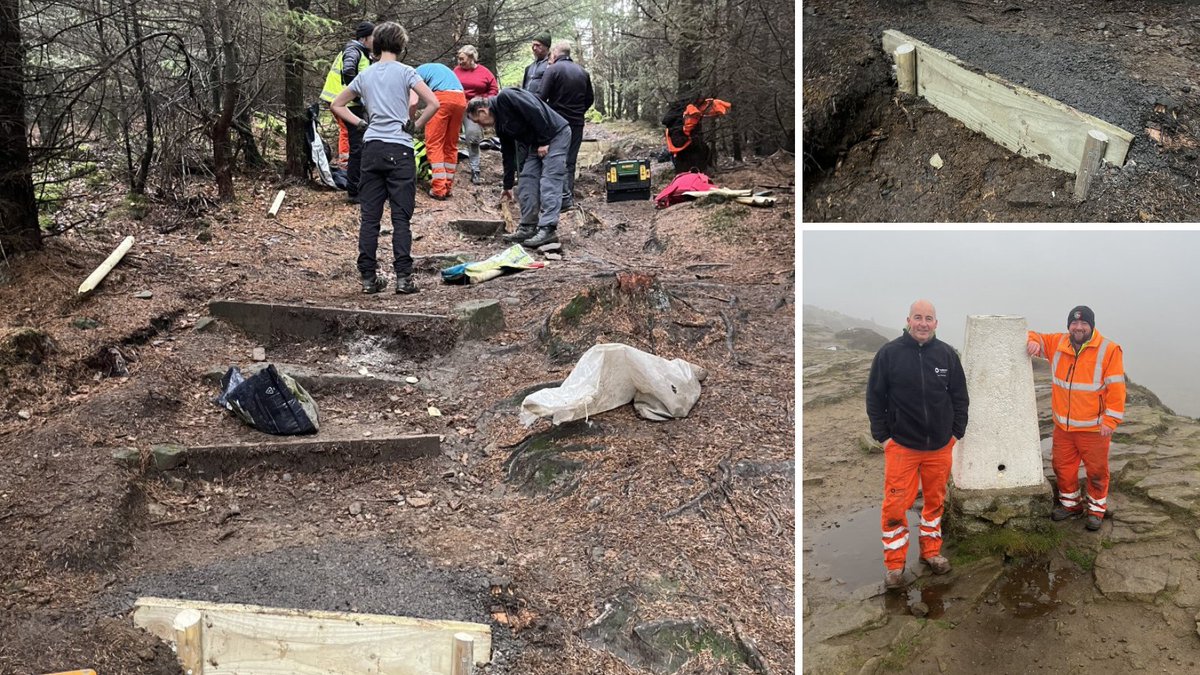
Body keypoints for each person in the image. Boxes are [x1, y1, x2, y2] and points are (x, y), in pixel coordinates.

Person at [866, 300, 969, 589]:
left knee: (935, 503)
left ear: (936, 323)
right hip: (902, 446)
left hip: (940, 447)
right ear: (908, 320)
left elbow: (960, 397)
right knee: (895, 506)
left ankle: (931, 553)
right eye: (918, 317)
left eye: (929, 318)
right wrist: (884, 437)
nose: (923, 323)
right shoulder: (889, 354)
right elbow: (875, 399)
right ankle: (895, 566)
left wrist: (955, 433)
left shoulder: (947, 355)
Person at [331, 22, 439, 295]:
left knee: (370, 218)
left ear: (376, 44)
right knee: (401, 218)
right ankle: (404, 278)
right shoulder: (406, 73)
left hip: (372, 148)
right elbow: (433, 103)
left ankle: (368, 278)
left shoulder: (365, 76)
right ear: (401, 45)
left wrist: (360, 124)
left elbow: (336, 104)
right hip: (400, 149)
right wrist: (414, 126)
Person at [1027, 306, 1126, 531]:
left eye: (1084, 324)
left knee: (1097, 471)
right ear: (1069, 325)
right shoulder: (1058, 343)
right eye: (1074, 323)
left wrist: (1110, 420)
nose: (1078, 327)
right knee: (1063, 467)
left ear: (1091, 325)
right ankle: (1071, 505)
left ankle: (1096, 509)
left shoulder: (1109, 350)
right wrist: (1032, 341)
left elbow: (1117, 389)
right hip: (1063, 427)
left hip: (1094, 428)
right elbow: (1031, 335)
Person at [466, 89, 570, 249]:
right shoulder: (500, 125)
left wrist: (544, 140)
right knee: (527, 181)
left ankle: (548, 229)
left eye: (478, 121)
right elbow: (507, 154)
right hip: (536, 143)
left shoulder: (506, 97)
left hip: (555, 134)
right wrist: (507, 186)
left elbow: (535, 110)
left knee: (549, 180)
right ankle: (527, 227)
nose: (480, 126)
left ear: (483, 111)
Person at [321, 21, 376, 202]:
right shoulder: (354, 50)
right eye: (373, 36)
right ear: (364, 38)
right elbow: (349, 70)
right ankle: (354, 191)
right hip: (346, 105)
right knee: (358, 146)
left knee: (359, 145)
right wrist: (357, 96)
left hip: (347, 104)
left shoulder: (362, 52)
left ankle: (356, 186)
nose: (376, 40)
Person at [539, 42, 594, 209]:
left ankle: (559, 199)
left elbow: (541, 96)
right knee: (570, 161)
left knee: (557, 159)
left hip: (557, 123)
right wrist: (579, 111)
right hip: (577, 122)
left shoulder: (552, 70)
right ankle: (567, 197)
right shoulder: (582, 72)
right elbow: (589, 99)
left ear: (555, 53)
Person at [413, 62, 466, 200]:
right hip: (460, 99)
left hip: (442, 98)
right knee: (451, 144)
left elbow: (413, 101)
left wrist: (411, 122)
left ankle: (438, 188)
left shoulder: (413, 74)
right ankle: (447, 186)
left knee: (434, 143)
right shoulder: (435, 69)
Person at [453, 45, 498, 185]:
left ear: (472, 58)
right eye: (459, 59)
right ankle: (449, 167)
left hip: (474, 110)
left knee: (472, 138)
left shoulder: (484, 72)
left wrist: (484, 102)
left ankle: (475, 169)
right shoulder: (456, 71)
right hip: (457, 106)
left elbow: (493, 88)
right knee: (450, 136)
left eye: (463, 59)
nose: (460, 62)